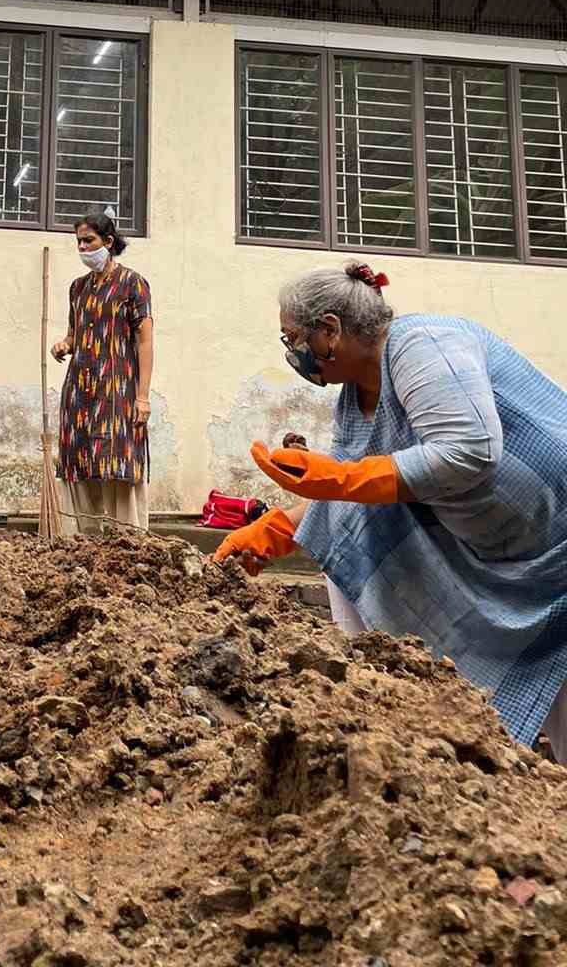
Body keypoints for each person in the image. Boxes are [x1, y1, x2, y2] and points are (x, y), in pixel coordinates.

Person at [216, 261, 567, 762]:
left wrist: (342, 480)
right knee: (348, 533)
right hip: (499, 556)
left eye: (292, 337)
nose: (292, 352)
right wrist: (272, 531)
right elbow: (343, 497)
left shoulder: (423, 344)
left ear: (331, 329)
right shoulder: (351, 402)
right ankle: (377, 698)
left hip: (555, 541)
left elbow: (468, 450)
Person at [51, 207, 154, 532]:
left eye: (88, 241)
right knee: (79, 461)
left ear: (108, 241)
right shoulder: (77, 288)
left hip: (118, 391)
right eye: (78, 242)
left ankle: (127, 541)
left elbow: (145, 342)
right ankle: (79, 540)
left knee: (117, 460)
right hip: (80, 393)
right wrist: (64, 345)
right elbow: (74, 334)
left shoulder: (133, 284)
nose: (82, 248)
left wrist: (142, 397)